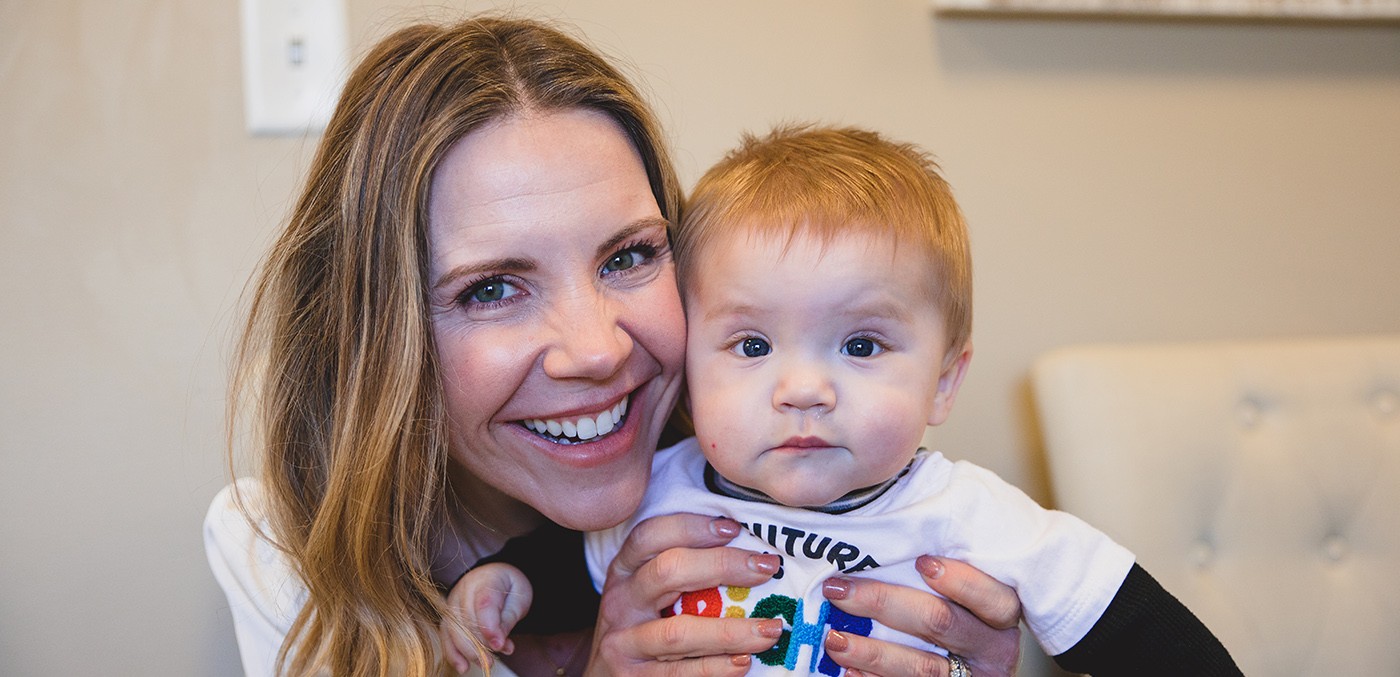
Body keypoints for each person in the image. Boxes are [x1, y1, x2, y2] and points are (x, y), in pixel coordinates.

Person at [203, 16, 1026, 677]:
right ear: (379, 339)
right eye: (492, 288)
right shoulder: (284, 550)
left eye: (629, 255)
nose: (596, 350)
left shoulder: (766, 474)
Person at [445, 125, 1241, 676]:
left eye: (861, 346)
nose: (802, 389)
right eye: (752, 346)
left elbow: (1136, 623)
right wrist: (504, 584)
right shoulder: (665, 488)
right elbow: (568, 569)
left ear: (943, 380)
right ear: (692, 358)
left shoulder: (965, 517)